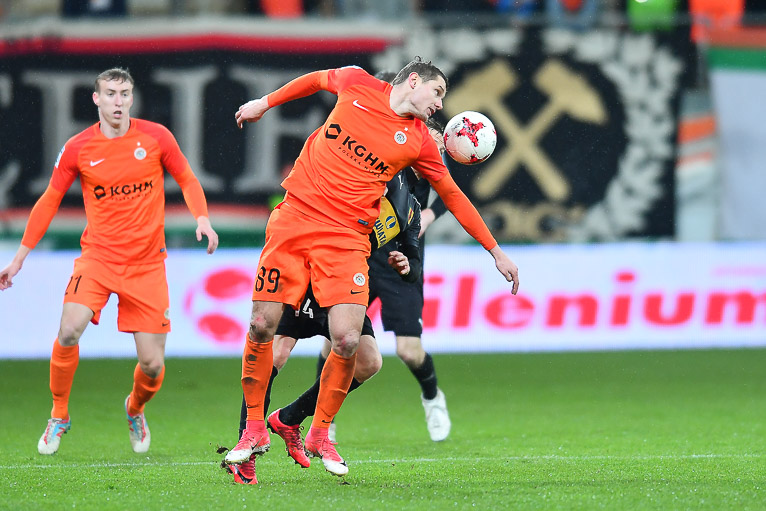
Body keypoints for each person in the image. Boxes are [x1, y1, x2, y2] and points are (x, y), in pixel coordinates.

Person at [225, 56, 519, 481]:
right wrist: (264, 103)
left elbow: (453, 196)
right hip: (294, 220)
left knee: (348, 342)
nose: (440, 104)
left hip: (345, 240)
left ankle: (319, 433)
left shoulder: (419, 142)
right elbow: (315, 80)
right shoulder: (356, 83)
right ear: (414, 81)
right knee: (261, 326)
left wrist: (495, 251)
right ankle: (252, 430)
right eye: (438, 92)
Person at [0, 68, 219, 455]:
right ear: (96, 99)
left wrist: (202, 218)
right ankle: (59, 414)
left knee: (152, 365)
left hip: (147, 265)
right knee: (69, 330)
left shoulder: (156, 137)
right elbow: (49, 200)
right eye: (111, 94)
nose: (118, 101)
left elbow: (187, 178)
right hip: (98, 260)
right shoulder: (78, 148)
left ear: (132, 98)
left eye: (125, 94)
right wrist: (20, 257)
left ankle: (135, 408)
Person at [227, 174, 423, 484]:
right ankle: (247, 447)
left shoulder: (410, 209)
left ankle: (289, 418)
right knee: (276, 353)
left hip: (343, 285)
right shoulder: (355, 175)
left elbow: (414, 261)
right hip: (309, 275)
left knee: (369, 362)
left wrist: (408, 266)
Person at [316, 77, 453, 443]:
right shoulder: (381, 141)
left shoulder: (426, 144)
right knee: (335, 341)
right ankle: (324, 418)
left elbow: (449, 192)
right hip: (359, 251)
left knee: (408, 350)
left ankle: (432, 397)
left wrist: (427, 216)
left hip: (403, 255)